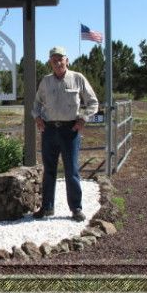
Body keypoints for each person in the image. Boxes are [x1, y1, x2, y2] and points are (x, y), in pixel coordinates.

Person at [31, 46, 99, 222]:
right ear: (50, 63)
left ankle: (76, 208)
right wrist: (37, 117)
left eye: (60, 58)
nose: (58, 62)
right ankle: (47, 207)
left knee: (72, 171)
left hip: (70, 131)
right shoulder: (45, 81)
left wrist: (83, 119)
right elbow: (37, 103)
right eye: (54, 59)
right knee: (49, 171)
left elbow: (93, 102)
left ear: (67, 60)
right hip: (49, 130)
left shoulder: (78, 78)